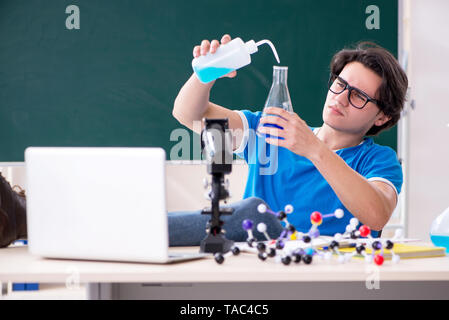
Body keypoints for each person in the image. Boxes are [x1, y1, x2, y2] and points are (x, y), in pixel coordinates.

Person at [170, 34, 408, 244]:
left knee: (252, 211)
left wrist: (314, 149)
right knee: (247, 213)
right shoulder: (272, 129)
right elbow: (189, 115)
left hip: (330, 279)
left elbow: (376, 215)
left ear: (382, 116)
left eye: (357, 96)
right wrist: (207, 73)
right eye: (340, 84)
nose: (340, 98)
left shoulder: (377, 160)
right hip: (258, 270)